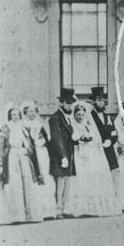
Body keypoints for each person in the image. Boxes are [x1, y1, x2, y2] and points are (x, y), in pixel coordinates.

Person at [0, 104, 44, 224]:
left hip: (23, 156)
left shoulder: (24, 128)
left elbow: (30, 144)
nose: (16, 117)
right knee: (14, 183)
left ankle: (29, 215)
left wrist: (27, 151)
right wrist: (1, 164)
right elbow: (1, 148)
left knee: (27, 183)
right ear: (9, 116)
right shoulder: (4, 129)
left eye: (17, 115)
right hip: (11, 157)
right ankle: (14, 216)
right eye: (13, 115)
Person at [62, 102, 121, 217]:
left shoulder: (89, 126)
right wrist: (78, 139)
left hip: (90, 154)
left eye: (82, 114)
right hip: (79, 154)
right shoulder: (72, 126)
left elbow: (96, 139)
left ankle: (94, 207)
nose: (80, 117)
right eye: (78, 114)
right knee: (80, 179)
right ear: (74, 115)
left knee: (93, 179)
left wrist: (90, 139)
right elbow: (71, 139)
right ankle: (79, 208)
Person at [21, 100, 57, 219]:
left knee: (46, 179)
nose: (32, 114)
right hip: (31, 155)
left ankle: (48, 211)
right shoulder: (22, 125)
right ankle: (37, 211)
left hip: (42, 154)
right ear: (25, 113)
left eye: (34, 111)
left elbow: (47, 139)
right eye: (29, 111)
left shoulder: (40, 124)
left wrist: (43, 141)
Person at [47, 88, 77, 219]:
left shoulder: (67, 117)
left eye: (71, 103)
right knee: (59, 183)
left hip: (69, 154)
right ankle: (58, 210)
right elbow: (57, 138)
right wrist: (63, 156)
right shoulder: (55, 118)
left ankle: (65, 208)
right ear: (61, 103)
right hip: (60, 155)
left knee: (67, 183)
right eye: (67, 103)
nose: (69, 105)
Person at [89, 86, 119, 187]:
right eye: (98, 100)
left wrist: (110, 141)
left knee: (113, 176)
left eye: (103, 100)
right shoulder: (89, 117)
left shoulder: (108, 117)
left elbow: (114, 133)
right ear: (93, 101)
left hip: (109, 151)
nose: (101, 103)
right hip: (97, 151)